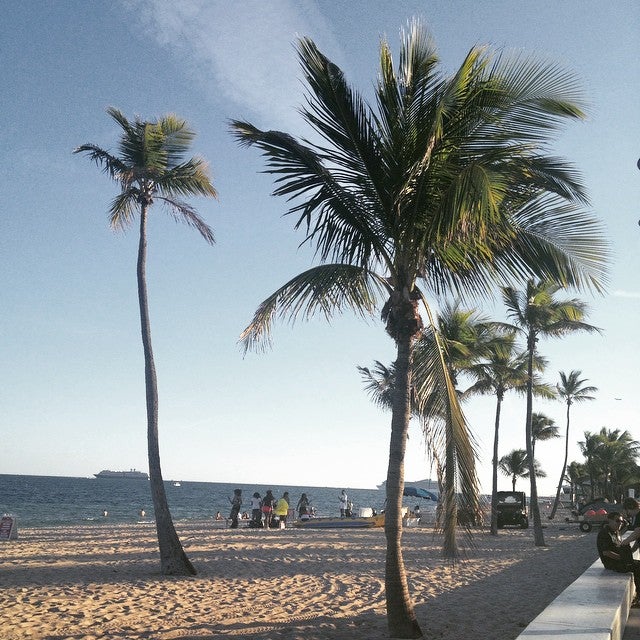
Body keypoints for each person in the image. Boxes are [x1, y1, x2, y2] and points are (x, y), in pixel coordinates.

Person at [597, 511, 640, 607]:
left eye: (622, 521)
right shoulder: (604, 534)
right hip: (612, 564)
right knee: (638, 568)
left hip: (620, 561)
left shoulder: (616, 532)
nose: (620, 523)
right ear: (609, 521)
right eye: (617, 521)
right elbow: (606, 552)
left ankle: (638, 597)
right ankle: (638, 598)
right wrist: (623, 559)